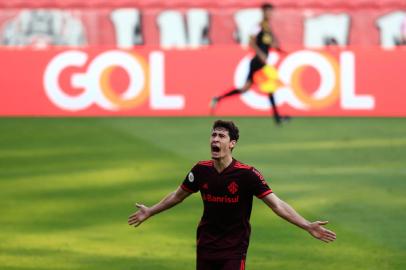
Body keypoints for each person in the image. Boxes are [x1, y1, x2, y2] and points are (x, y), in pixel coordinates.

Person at [128, 120, 337, 270]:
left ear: (232, 144)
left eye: (221, 136)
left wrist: (307, 225)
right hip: (206, 245)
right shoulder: (201, 170)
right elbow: (177, 196)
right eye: (213, 135)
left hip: (234, 249)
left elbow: (277, 205)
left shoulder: (247, 174)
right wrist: (150, 211)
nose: (215, 139)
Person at [210, 3, 289, 125]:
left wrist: (279, 49)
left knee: (245, 89)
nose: (270, 13)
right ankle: (277, 118)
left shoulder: (267, 28)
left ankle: (218, 98)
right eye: (267, 11)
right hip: (257, 62)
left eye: (271, 11)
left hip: (260, 62)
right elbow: (251, 42)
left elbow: (269, 44)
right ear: (263, 12)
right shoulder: (258, 26)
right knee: (271, 85)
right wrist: (261, 54)